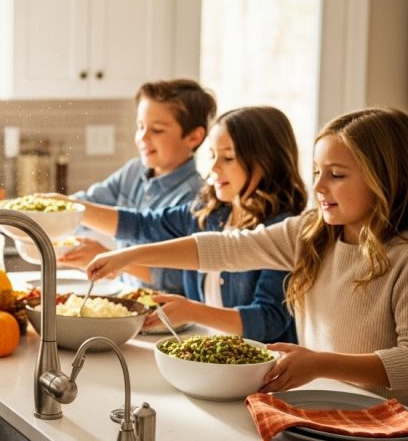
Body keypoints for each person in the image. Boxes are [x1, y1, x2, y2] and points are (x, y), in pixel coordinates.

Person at [87, 107, 408, 403]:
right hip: (321, 406)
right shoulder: (310, 234)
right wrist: (130, 255)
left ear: (384, 177)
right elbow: (227, 248)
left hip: (385, 423)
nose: (319, 187)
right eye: (316, 172)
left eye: (336, 175)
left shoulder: (402, 258)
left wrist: (321, 363)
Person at [63, 106, 304, 343]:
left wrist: (192, 311)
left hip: (265, 369)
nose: (213, 168)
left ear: (267, 161)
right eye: (212, 155)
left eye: (228, 158)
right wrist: (67, 208)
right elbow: (142, 225)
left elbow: (268, 321)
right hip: (212, 356)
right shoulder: (207, 212)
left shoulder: (283, 231)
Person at [70, 78, 217, 294]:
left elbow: (175, 279)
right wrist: (45, 212)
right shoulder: (133, 171)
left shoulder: (196, 197)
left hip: (170, 317)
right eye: (140, 126)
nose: (143, 138)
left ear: (194, 137)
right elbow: (89, 205)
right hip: (129, 299)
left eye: (157, 130)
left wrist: (110, 259)